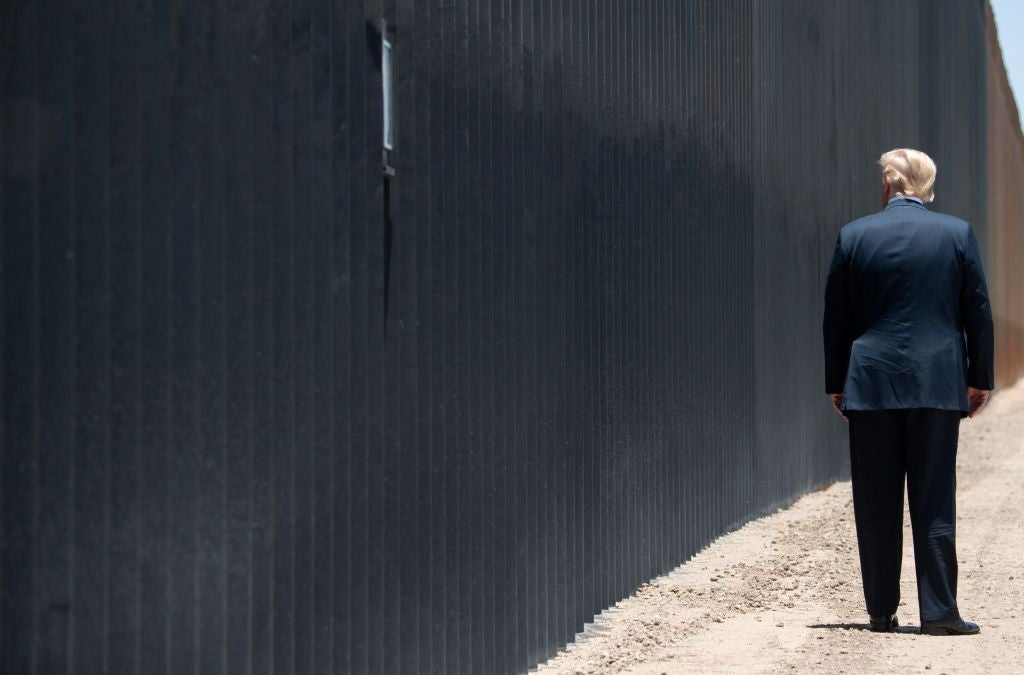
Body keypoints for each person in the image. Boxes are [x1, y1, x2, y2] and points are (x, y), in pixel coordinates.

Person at [822, 148, 994, 636]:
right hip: (938, 383)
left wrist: (837, 383)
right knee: (934, 496)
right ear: (928, 187)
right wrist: (978, 376)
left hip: (871, 383)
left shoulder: (854, 236)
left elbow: (836, 318)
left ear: (887, 186)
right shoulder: (956, 234)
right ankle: (939, 612)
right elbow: (977, 312)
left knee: (876, 502)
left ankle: (880, 611)